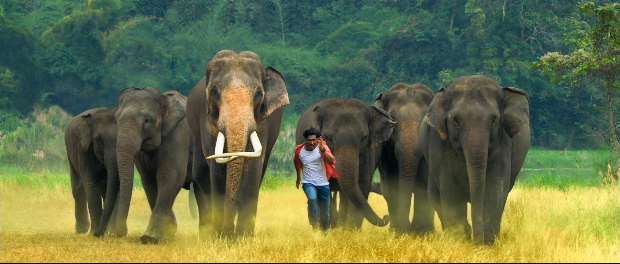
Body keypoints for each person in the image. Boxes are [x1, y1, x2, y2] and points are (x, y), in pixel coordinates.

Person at [294, 127, 339, 232]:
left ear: (318, 140)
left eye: (314, 140)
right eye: (309, 140)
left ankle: (325, 233)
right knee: (312, 198)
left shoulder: (323, 148)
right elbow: (296, 161)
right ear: (306, 140)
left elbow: (332, 161)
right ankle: (314, 224)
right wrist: (298, 178)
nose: (312, 142)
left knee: (325, 211)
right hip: (308, 182)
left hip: (323, 183)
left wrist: (323, 150)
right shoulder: (299, 151)